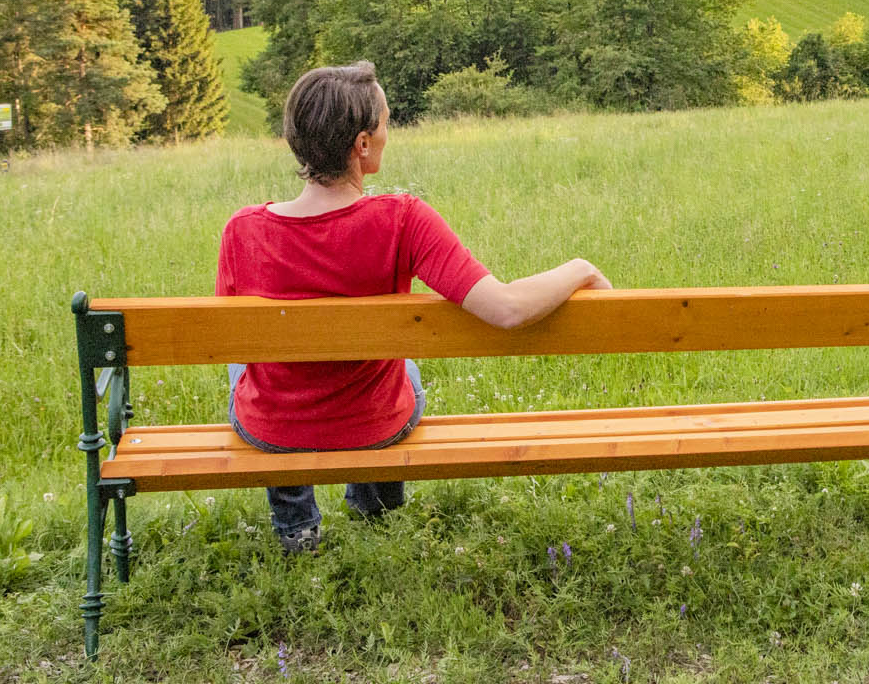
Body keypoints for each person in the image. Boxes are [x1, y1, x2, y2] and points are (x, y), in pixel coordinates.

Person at [217, 60, 609, 552]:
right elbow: (506, 309)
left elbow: (233, 338)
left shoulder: (243, 229)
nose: (388, 133)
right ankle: (374, 510)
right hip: (377, 425)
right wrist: (580, 268)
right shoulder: (404, 219)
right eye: (385, 122)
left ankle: (298, 528)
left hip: (274, 432)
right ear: (362, 144)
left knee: (244, 359)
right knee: (405, 364)